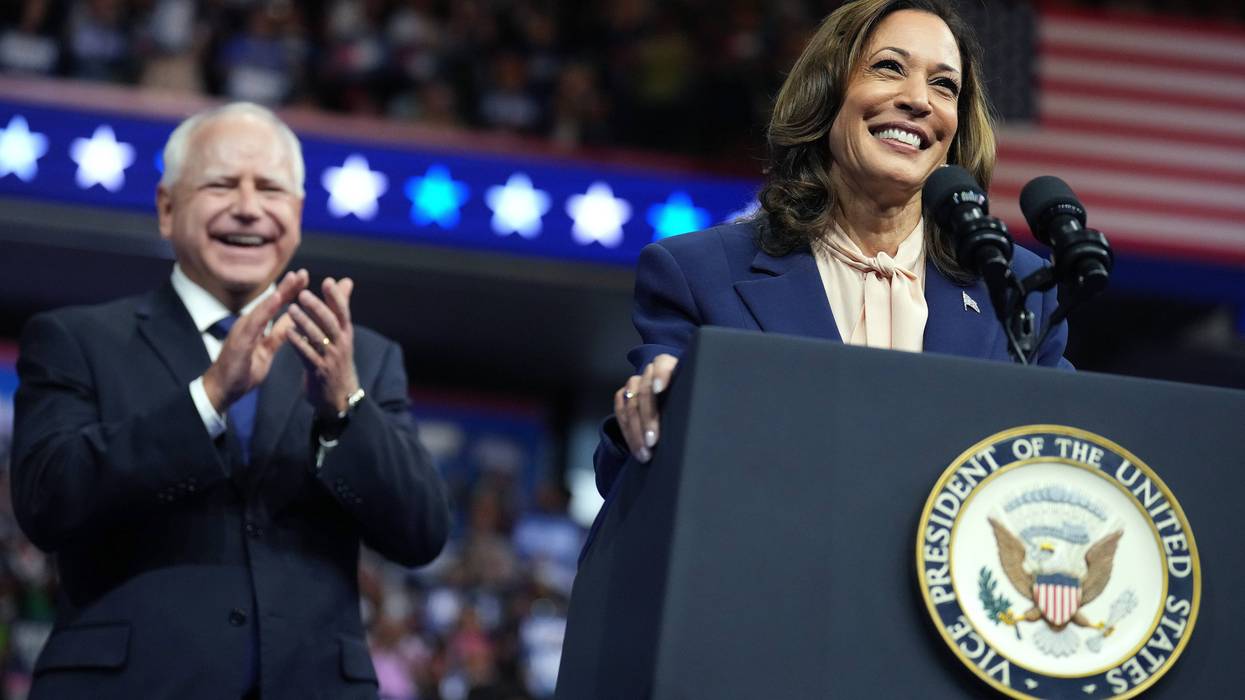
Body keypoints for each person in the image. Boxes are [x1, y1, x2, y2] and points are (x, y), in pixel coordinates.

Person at [11, 102, 451, 699]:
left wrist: (344, 409)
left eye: (269, 188)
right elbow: (47, 501)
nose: (248, 207)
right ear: (167, 208)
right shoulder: (77, 340)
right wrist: (209, 397)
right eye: (221, 184)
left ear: (296, 214)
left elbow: (421, 533)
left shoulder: (360, 358)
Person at [596, 0, 1071, 496]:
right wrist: (658, 407)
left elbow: (1065, 464)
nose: (918, 100)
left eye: (944, 85)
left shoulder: (1015, 287)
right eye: (889, 67)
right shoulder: (701, 272)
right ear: (826, 92)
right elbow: (626, 483)